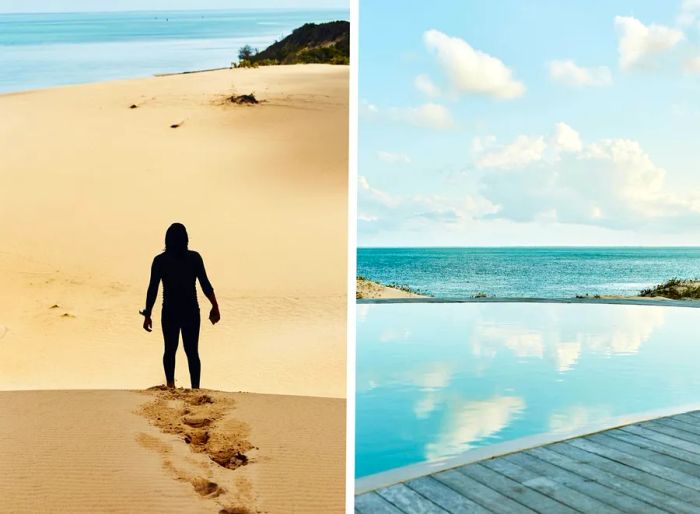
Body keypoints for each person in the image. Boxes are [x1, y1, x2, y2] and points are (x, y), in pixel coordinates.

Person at [140, 223, 220, 389]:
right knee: (192, 352)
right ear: (186, 240)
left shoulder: (160, 261)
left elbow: (152, 289)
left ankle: (170, 385)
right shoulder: (194, 258)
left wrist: (148, 314)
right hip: (190, 311)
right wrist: (215, 306)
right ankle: (195, 388)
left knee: (170, 349)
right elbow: (206, 285)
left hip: (170, 311)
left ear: (167, 240)